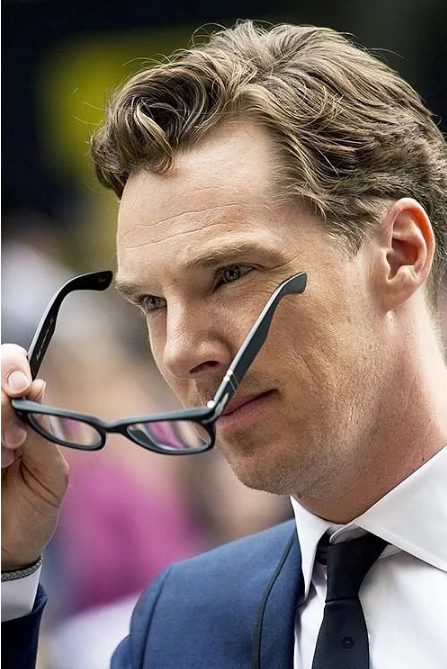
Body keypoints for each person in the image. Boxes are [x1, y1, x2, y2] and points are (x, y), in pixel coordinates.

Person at [2, 19, 447, 669]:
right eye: (151, 303)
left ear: (399, 253)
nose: (179, 352)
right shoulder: (180, 623)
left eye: (231, 274)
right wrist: (7, 573)